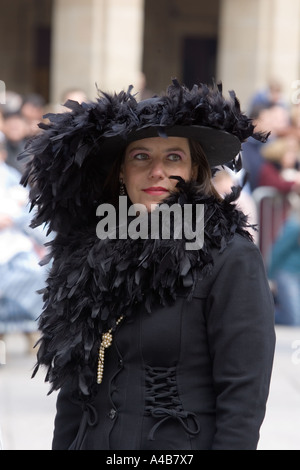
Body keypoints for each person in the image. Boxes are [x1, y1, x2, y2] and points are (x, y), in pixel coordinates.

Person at [22, 80, 275, 450]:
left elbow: (243, 401)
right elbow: (72, 397)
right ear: (122, 173)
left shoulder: (230, 257)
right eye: (141, 156)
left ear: (193, 170)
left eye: (174, 157)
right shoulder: (86, 255)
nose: (157, 171)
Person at [0, 142, 49, 349]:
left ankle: (32, 330)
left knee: (35, 275)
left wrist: (12, 218)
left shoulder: (10, 177)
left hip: (13, 245)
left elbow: (29, 212)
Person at [267, 193, 300, 325]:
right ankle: (260, 314)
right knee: (294, 319)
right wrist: (269, 277)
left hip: (296, 274)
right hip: (287, 273)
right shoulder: (294, 225)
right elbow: (277, 251)